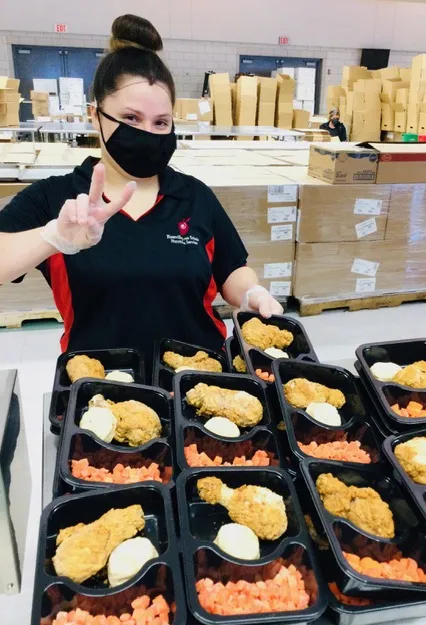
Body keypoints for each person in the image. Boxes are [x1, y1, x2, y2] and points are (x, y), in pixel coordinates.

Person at [0, 14, 282, 372]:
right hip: (101, 387)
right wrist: (53, 237)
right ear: (95, 116)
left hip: (201, 380)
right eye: (131, 118)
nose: (148, 132)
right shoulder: (57, 198)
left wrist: (252, 294)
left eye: (160, 122)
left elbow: (231, 270)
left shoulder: (194, 196)